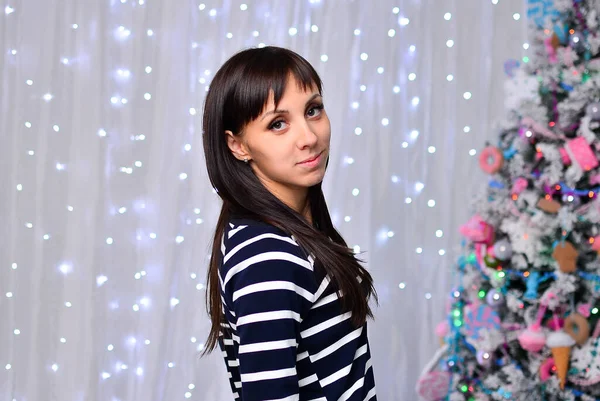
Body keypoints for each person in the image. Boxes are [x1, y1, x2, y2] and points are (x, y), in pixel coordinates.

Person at [201, 46, 378, 401]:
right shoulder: (269, 255)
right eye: (278, 124)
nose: (309, 137)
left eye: (313, 110)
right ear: (238, 145)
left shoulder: (276, 231)